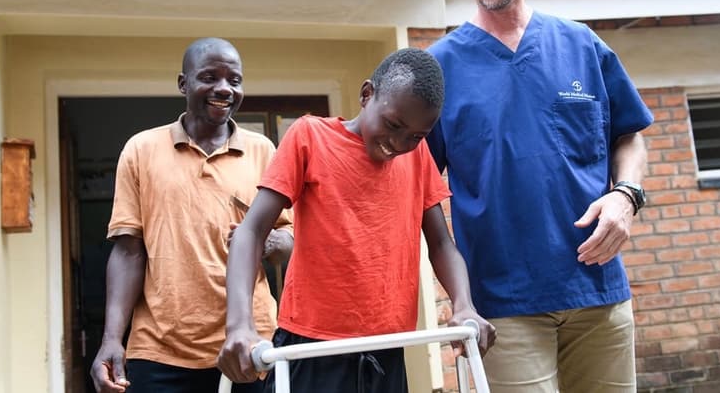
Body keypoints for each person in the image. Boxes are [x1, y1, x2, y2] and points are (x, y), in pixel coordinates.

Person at [426, 0, 654, 393]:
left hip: (600, 296)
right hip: (501, 309)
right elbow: (418, 190)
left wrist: (626, 196)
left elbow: (629, 137)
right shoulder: (439, 68)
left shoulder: (582, 45)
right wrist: (459, 298)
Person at [217, 48, 496, 393]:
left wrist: (464, 305)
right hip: (310, 347)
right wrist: (240, 325)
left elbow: (441, 243)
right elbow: (252, 231)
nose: (398, 143)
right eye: (393, 124)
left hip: (386, 350)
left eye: (415, 136)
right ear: (367, 95)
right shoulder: (310, 138)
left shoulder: (417, 157)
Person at [89, 37, 293, 393]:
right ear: (183, 84)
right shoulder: (141, 149)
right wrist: (111, 339)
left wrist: (269, 240)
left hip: (248, 344)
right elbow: (127, 251)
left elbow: (289, 244)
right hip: (159, 350)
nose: (224, 89)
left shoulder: (263, 151)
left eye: (234, 80)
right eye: (210, 77)